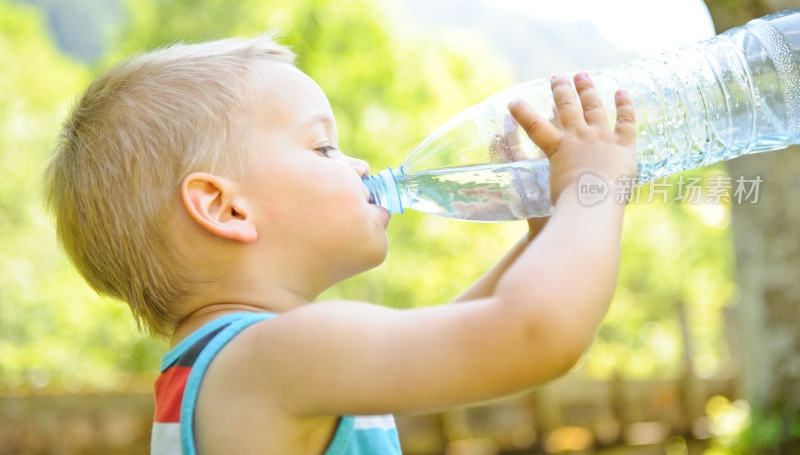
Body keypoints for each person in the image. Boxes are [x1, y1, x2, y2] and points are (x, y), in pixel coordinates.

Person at [43, 35, 637, 454]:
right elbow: (532, 334)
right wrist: (595, 188)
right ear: (225, 208)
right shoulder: (274, 356)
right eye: (323, 147)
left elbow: (463, 332)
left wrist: (543, 233)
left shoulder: (229, 364)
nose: (356, 164)